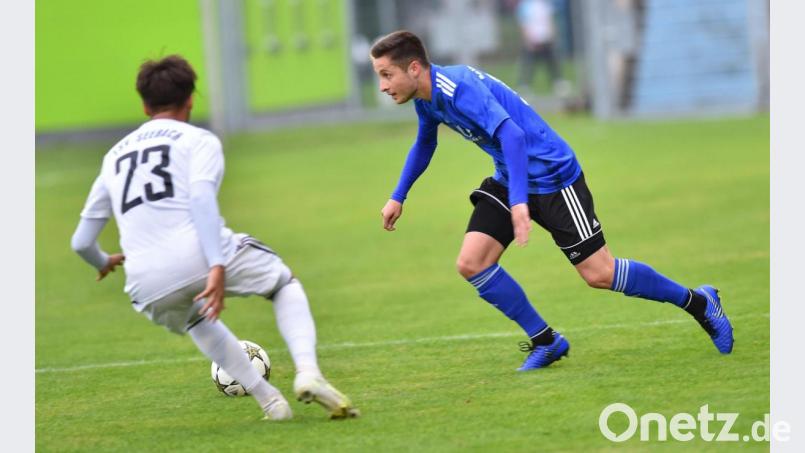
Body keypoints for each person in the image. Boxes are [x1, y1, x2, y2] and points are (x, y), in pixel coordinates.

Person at [369, 31, 733, 371]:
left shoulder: (458, 87)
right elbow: (425, 143)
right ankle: (547, 341)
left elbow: (512, 135)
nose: (383, 86)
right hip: (511, 176)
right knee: (472, 262)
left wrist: (518, 202)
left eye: (387, 75)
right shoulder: (428, 98)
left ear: (414, 68)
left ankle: (698, 302)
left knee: (600, 274)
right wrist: (398, 196)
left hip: (553, 177)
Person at [70, 55, 359, 419]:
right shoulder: (198, 140)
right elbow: (201, 199)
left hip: (145, 281)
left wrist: (104, 261)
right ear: (191, 98)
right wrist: (217, 264)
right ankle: (308, 373)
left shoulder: (112, 157)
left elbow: (81, 241)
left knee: (195, 318)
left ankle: (271, 402)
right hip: (199, 254)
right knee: (282, 283)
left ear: (144, 105)